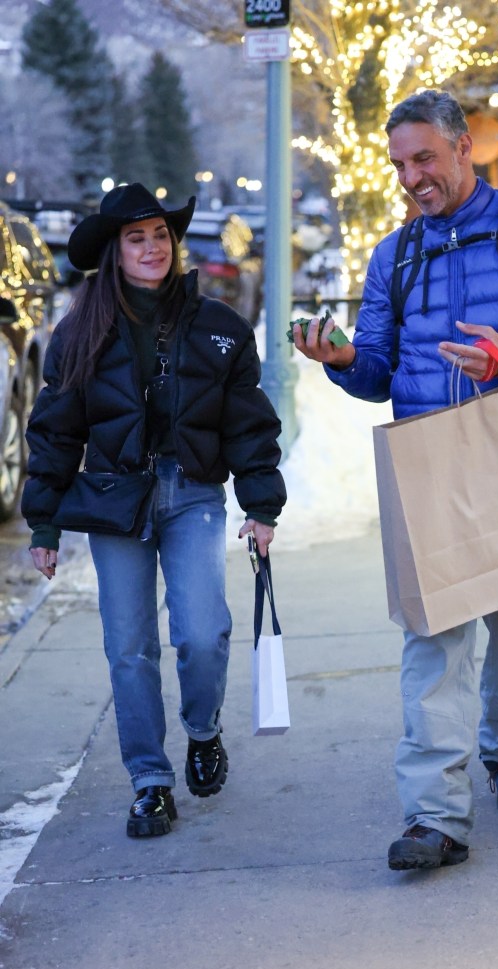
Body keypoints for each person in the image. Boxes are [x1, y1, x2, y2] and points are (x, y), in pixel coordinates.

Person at [293, 90, 498, 871]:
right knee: (431, 637)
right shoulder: (393, 255)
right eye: (400, 164)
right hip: (428, 458)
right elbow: (375, 372)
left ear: (465, 147)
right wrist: (340, 363)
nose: (411, 177)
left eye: (423, 158)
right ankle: (434, 815)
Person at [21, 183, 286, 839]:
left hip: (192, 492)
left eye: (160, 235)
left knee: (202, 633)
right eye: (135, 237)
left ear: (174, 243)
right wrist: (45, 519)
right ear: (115, 251)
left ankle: (203, 730)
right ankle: (149, 782)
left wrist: (261, 505)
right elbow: (56, 430)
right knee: (130, 649)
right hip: (115, 499)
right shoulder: (79, 331)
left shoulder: (219, 328)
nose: (151, 247)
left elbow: (248, 426)